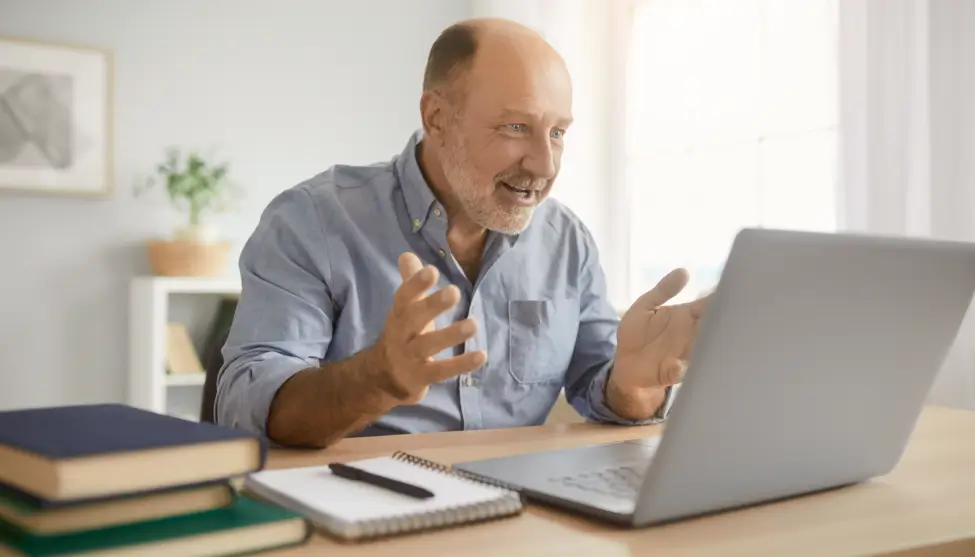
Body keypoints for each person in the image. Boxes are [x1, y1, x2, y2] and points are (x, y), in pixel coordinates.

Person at [214, 17, 710, 448]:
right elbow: (243, 402)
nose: (545, 163)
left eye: (557, 132)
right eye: (516, 127)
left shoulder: (566, 242)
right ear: (436, 118)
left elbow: (600, 386)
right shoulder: (314, 221)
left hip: (517, 514)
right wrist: (376, 378)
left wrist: (634, 383)